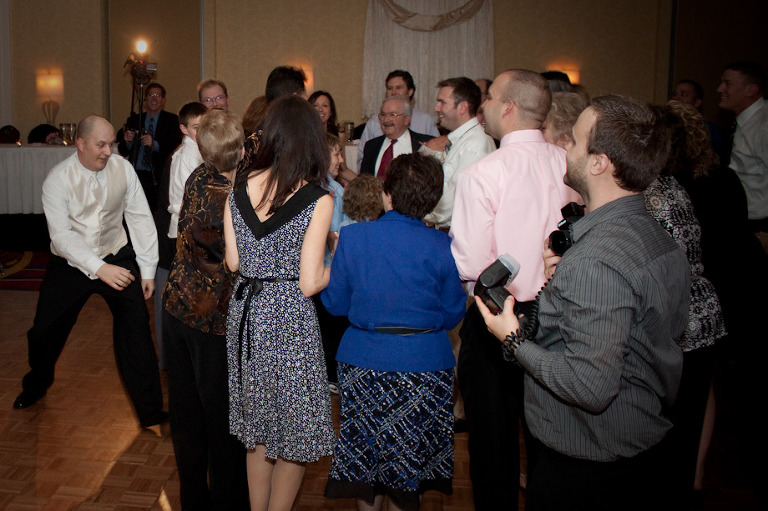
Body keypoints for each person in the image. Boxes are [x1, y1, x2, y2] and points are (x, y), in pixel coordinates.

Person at [477, 95, 689, 511]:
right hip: (638, 444)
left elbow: (589, 386)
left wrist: (514, 339)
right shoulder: (654, 234)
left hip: (590, 466)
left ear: (599, 163)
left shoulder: (596, 260)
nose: (565, 149)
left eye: (574, 142)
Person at [450, 69, 581, 511]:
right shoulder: (570, 166)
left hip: (497, 318)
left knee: (493, 444)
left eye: (488, 97)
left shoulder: (482, 174)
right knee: (553, 439)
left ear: (507, 107)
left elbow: (470, 263)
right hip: (564, 316)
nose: (483, 104)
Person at [321, 152, 466, 511]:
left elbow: (335, 305)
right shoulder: (444, 247)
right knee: (408, 467)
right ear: (433, 199)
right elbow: (451, 315)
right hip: (425, 366)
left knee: (366, 466)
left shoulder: (353, 238)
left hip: (363, 361)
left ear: (387, 194)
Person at [13, 115, 167, 433]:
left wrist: (148, 269)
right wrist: (99, 268)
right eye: (101, 144)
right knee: (43, 333)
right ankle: (37, 384)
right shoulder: (57, 179)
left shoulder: (122, 169)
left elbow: (139, 217)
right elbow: (62, 237)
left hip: (117, 255)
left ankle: (150, 411)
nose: (108, 151)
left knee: (137, 331)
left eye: (111, 143)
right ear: (81, 144)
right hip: (69, 265)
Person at [223, 96, 335, 511]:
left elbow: (234, 261)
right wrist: (336, 264)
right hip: (287, 316)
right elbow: (309, 282)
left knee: (259, 427)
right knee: (296, 431)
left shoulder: (238, 185)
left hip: (246, 313)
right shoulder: (318, 199)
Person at [162, 109, 249, 510]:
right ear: (241, 150)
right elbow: (236, 262)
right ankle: (228, 502)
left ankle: (194, 501)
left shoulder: (198, 176)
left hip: (177, 308)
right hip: (208, 320)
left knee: (187, 416)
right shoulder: (230, 199)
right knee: (221, 419)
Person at [642, 103, 726, 508]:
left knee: (671, 423)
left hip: (681, 319)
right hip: (699, 312)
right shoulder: (668, 186)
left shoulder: (654, 191)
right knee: (687, 417)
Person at [152, 102, 208, 369]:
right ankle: (176, 358)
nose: (202, 131)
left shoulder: (200, 151)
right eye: (196, 127)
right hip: (182, 233)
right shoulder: (183, 156)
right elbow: (177, 201)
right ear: (184, 128)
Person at [422, 76, 495, 229]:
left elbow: (449, 203)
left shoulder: (475, 144)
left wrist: (416, 212)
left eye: (442, 102)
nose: (436, 108)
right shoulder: (460, 139)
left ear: (462, 107)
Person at [716, 60, 768, 233]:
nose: (720, 89)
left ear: (750, 90)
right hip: (741, 220)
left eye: (727, 84)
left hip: (760, 226)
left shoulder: (763, 125)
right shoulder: (742, 123)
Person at [117, 82, 183, 210]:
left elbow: (174, 145)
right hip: (136, 173)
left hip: (158, 174)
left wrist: (154, 145)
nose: (154, 98)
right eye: (151, 95)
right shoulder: (135, 119)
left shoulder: (172, 120)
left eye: (157, 95)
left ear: (163, 100)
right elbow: (122, 150)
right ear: (145, 99)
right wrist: (128, 142)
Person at [357, 70, 440, 168]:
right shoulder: (373, 125)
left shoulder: (425, 120)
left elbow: (437, 152)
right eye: (390, 88)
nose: (393, 92)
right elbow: (363, 163)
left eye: (399, 88)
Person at [360, 96, 433, 178]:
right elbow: (364, 182)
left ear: (406, 119)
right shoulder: (371, 146)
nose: (386, 120)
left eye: (392, 115)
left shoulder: (425, 144)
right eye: (383, 115)